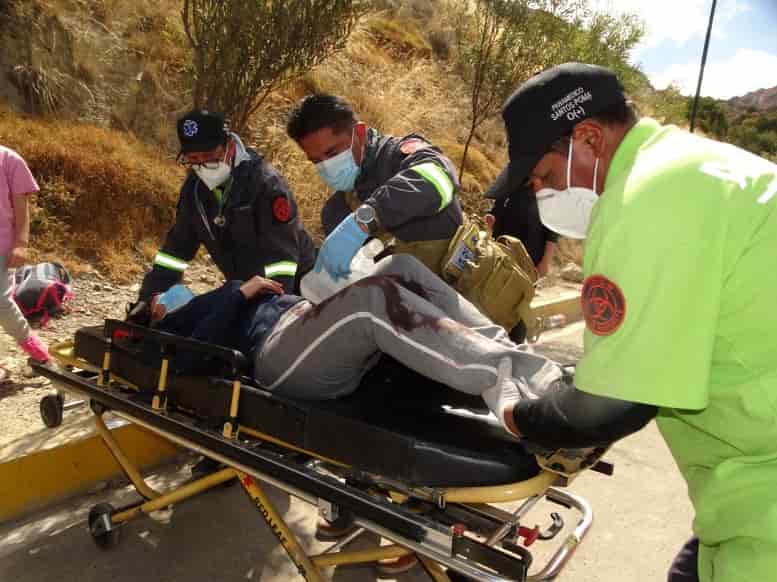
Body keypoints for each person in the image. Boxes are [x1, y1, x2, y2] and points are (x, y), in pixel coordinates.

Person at [489, 62, 777, 582]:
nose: (541, 196)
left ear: (590, 138)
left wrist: (518, 414)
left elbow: (606, 409)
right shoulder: (698, 167)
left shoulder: (643, 200)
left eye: (547, 178)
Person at [134, 109, 316, 315]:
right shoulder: (194, 192)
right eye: (194, 159)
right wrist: (147, 300)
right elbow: (175, 253)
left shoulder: (265, 184)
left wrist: (271, 310)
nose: (203, 165)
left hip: (301, 290)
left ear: (229, 146)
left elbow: (282, 261)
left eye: (210, 156)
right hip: (248, 289)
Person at [285, 93, 463, 279]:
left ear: (359, 134)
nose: (327, 167)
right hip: (420, 303)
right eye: (316, 161)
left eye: (332, 153)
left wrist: (364, 220)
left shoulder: (398, 157)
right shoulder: (336, 212)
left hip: (476, 290)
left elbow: (440, 176)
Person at [484, 183, 559, 342]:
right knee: (494, 300)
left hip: (529, 260)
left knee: (518, 308)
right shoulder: (511, 182)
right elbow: (496, 210)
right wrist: (490, 220)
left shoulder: (547, 188)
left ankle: (516, 350)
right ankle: (494, 346)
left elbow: (552, 231)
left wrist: (545, 261)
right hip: (501, 254)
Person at [0, 145, 50, 363]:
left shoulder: (9, 160)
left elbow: (22, 209)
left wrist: (21, 243)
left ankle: (37, 352)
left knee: (1, 304)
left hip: (2, 247)